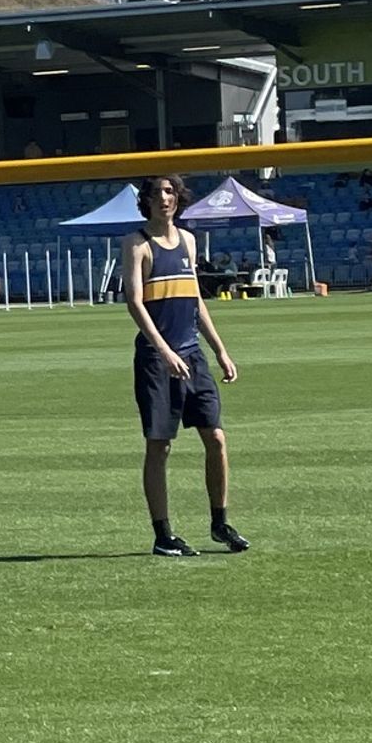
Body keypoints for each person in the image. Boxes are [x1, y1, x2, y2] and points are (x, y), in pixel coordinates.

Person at [122, 175, 250, 558]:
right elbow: (134, 302)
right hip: (157, 359)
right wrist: (164, 351)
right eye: (157, 192)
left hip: (192, 354)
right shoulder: (137, 244)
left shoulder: (189, 241)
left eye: (170, 191)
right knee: (159, 445)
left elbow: (195, 299)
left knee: (216, 437)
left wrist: (220, 350)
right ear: (146, 200)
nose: (165, 198)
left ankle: (220, 522)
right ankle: (163, 534)